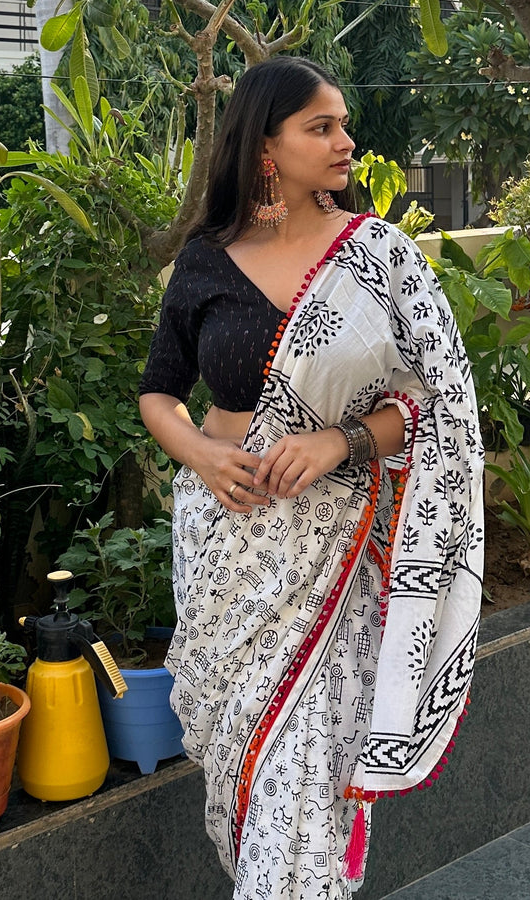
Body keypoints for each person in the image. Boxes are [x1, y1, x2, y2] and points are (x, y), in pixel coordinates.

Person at [138, 55, 484, 900]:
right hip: (226, 551)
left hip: (328, 560)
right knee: (247, 772)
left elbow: (440, 404)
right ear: (266, 145)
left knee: (303, 780)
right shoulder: (207, 260)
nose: (345, 140)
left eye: (342, 123)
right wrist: (201, 453)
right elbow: (157, 393)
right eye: (320, 126)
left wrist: (341, 443)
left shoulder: (376, 261)